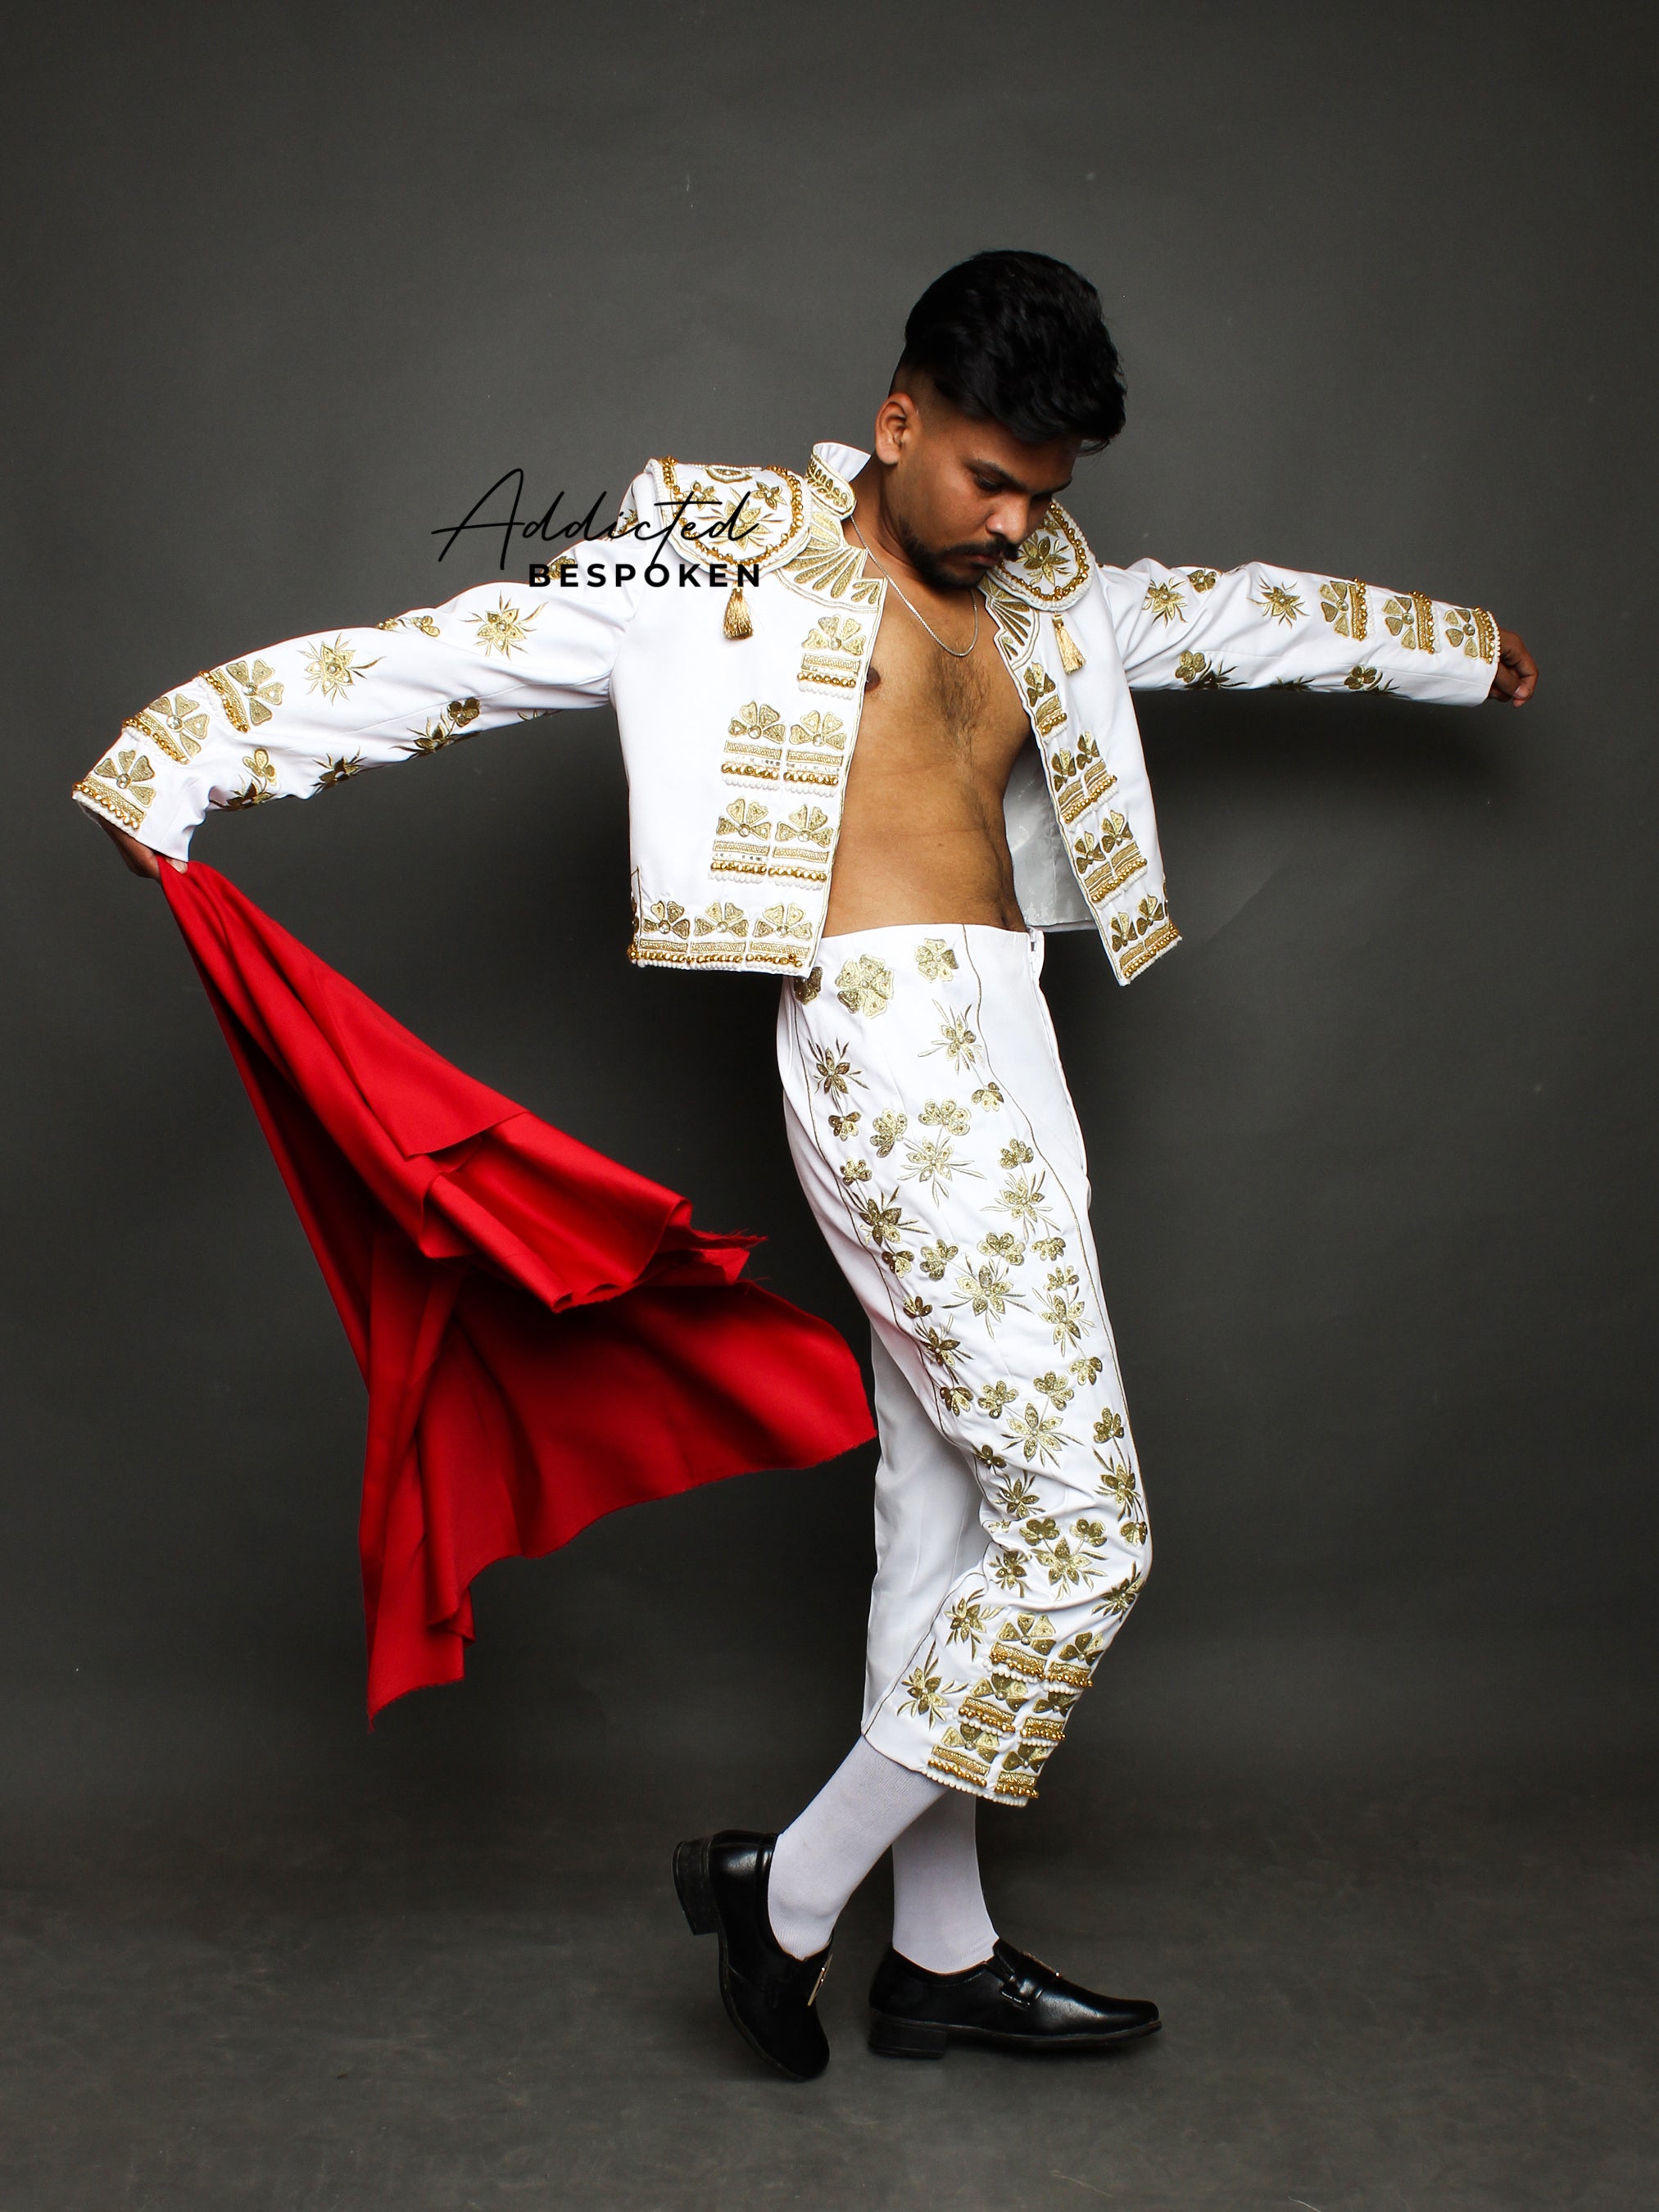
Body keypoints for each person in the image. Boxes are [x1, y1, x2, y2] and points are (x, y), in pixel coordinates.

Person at [76, 250, 1538, 2081]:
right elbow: (466, 647)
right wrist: (183, 754)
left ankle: (939, 1950)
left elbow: (1222, 613)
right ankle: (789, 1883)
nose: (1012, 523)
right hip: (874, 1041)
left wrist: (1443, 643)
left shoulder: (1051, 583)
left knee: (954, 1512)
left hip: (1011, 1036)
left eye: (1044, 494)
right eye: (985, 479)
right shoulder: (707, 542)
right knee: (1087, 1537)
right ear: (896, 418)